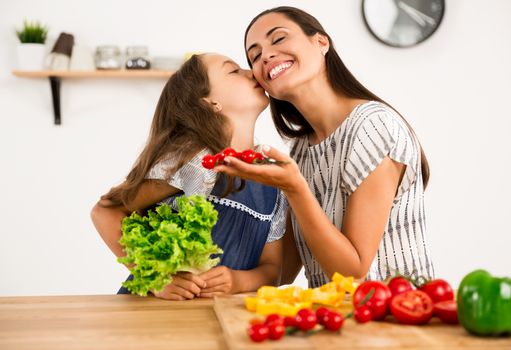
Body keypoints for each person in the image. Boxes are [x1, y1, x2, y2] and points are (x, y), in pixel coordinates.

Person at [215, 6, 434, 288]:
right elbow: (286, 269)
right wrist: (227, 279)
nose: (266, 55)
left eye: (278, 39)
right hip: (335, 322)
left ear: (321, 42)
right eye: (255, 56)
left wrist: (295, 188)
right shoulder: (300, 151)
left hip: (396, 320)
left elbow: (352, 274)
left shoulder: (373, 127)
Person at [91, 53, 287, 300]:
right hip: (151, 316)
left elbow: (272, 271)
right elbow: (105, 211)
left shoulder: (272, 178)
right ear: (209, 102)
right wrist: (157, 278)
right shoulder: (194, 160)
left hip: (212, 322)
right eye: (233, 71)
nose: (251, 72)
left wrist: (238, 281)